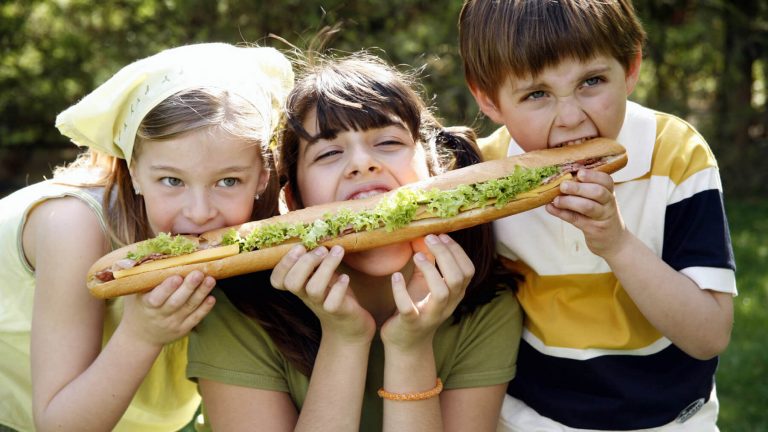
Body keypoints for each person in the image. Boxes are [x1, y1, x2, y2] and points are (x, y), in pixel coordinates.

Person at [186, 52, 522, 432]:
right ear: (292, 202)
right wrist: (345, 338)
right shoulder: (238, 312)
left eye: (389, 142)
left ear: (433, 170)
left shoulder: (485, 307)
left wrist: (410, 348)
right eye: (329, 152)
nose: (362, 163)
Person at [457, 1, 737, 431]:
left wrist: (616, 243)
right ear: (488, 99)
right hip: (528, 421)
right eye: (536, 94)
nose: (571, 118)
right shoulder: (482, 174)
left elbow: (709, 336)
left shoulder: (678, 154)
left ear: (629, 69)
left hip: (672, 421)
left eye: (591, 82)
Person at [0, 43, 293, 432]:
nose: (200, 211)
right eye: (172, 180)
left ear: (261, 176)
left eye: (228, 181)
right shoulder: (72, 227)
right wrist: (141, 334)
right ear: (134, 170)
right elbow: (57, 424)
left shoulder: (270, 231)